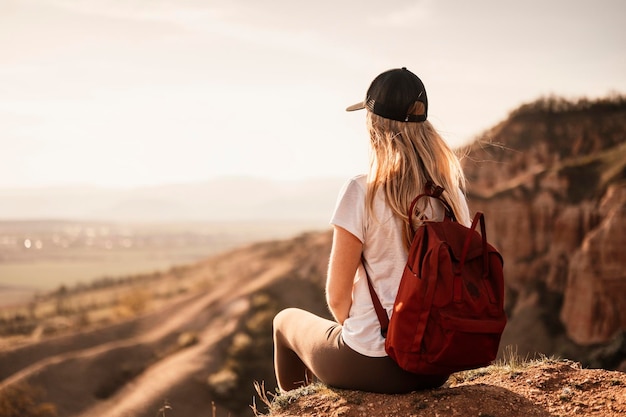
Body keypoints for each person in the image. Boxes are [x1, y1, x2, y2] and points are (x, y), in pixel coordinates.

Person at [272, 67, 471, 394]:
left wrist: (369, 338)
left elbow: (337, 299)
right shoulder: (451, 195)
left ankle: (296, 410)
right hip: (436, 365)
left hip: (373, 364)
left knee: (283, 321)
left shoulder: (361, 190)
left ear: (374, 126)